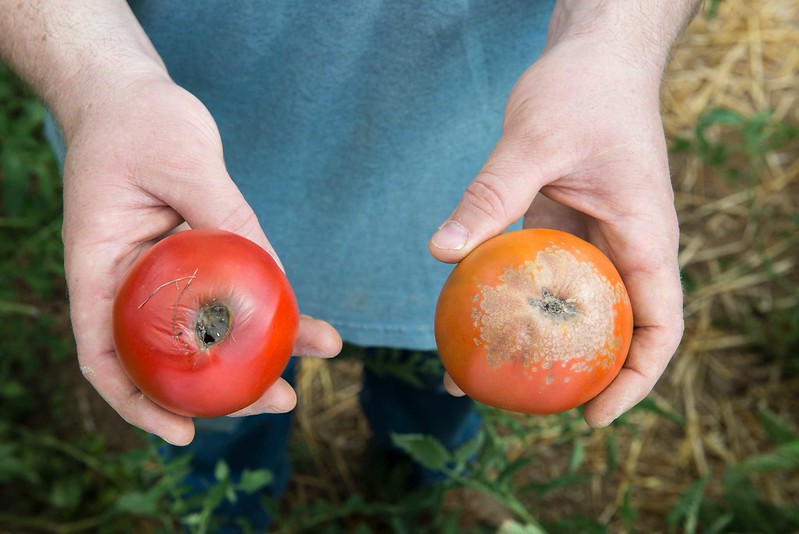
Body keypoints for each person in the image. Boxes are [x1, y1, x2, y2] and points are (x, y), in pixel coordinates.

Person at [1, 0, 698, 528]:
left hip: (496, 211)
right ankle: (224, 507)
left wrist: (612, 46)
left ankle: (408, 488)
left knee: (433, 398)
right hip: (165, 178)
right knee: (214, 432)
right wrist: (94, 75)